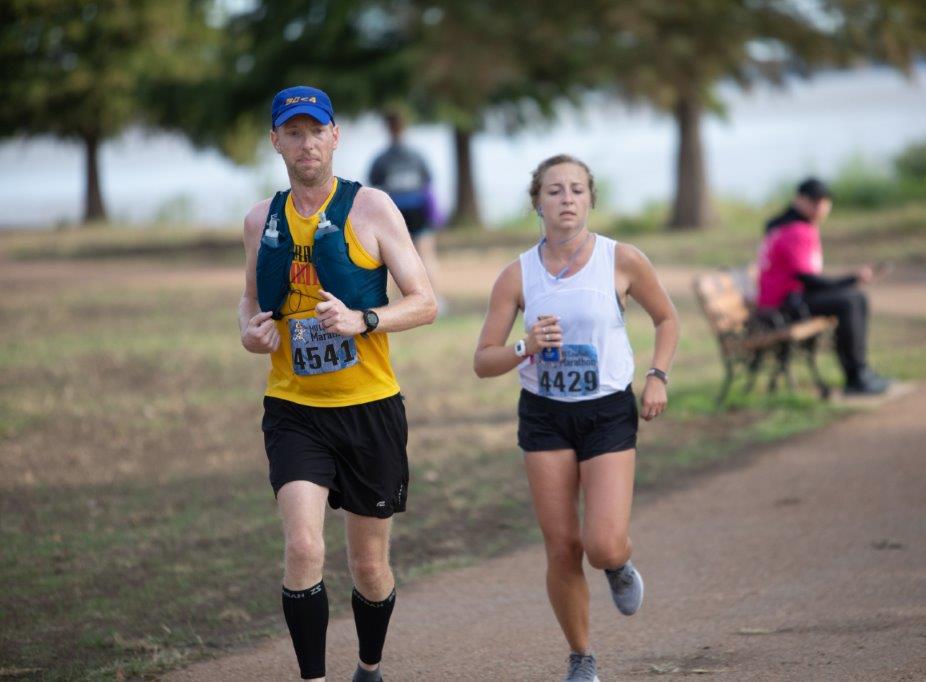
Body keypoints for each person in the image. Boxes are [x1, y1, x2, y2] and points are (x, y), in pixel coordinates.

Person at [238, 85, 437, 682]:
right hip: (294, 407)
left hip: (369, 407)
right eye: (293, 133)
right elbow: (249, 299)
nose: (306, 144)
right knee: (303, 547)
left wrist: (363, 320)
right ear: (276, 141)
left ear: (335, 136)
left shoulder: (371, 208)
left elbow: (425, 302)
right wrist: (250, 332)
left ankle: (369, 668)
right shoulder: (260, 220)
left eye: (315, 131)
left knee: (369, 567)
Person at [473, 154, 680, 682]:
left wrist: (658, 375)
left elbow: (666, 318)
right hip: (545, 416)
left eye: (576, 189)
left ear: (590, 199)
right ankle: (582, 656)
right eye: (554, 190)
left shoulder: (622, 259)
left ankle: (617, 564)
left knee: (601, 544)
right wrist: (525, 345)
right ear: (537, 203)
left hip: (607, 411)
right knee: (563, 547)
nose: (566, 199)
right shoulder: (516, 275)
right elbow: (483, 360)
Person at [757, 177, 890, 395]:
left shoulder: (786, 225)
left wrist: (850, 281)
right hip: (782, 308)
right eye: (814, 201)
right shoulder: (796, 230)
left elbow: (807, 280)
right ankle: (856, 376)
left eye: (824, 201)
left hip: (785, 302)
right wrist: (851, 279)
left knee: (853, 298)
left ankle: (860, 372)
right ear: (799, 200)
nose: (820, 206)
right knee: (849, 301)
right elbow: (808, 280)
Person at [367, 111, 445, 313]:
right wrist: (435, 215)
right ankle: (436, 299)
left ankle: (391, 303)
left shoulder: (381, 159)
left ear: (387, 129)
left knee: (390, 258)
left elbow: (373, 189)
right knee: (427, 254)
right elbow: (428, 185)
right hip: (417, 208)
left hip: (395, 210)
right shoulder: (417, 156)